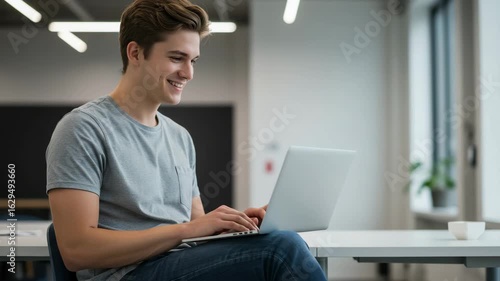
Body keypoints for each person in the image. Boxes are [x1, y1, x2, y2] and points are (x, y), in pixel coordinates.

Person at [46, 0, 327, 280]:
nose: (188, 73)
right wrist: (185, 231)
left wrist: (231, 225)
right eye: (176, 58)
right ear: (135, 53)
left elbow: (195, 227)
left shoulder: (179, 137)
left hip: (180, 264)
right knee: (281, 250)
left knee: (282, 239)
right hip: (127, 274)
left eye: (192, 61)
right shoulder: (82, 129)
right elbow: (76, 250)